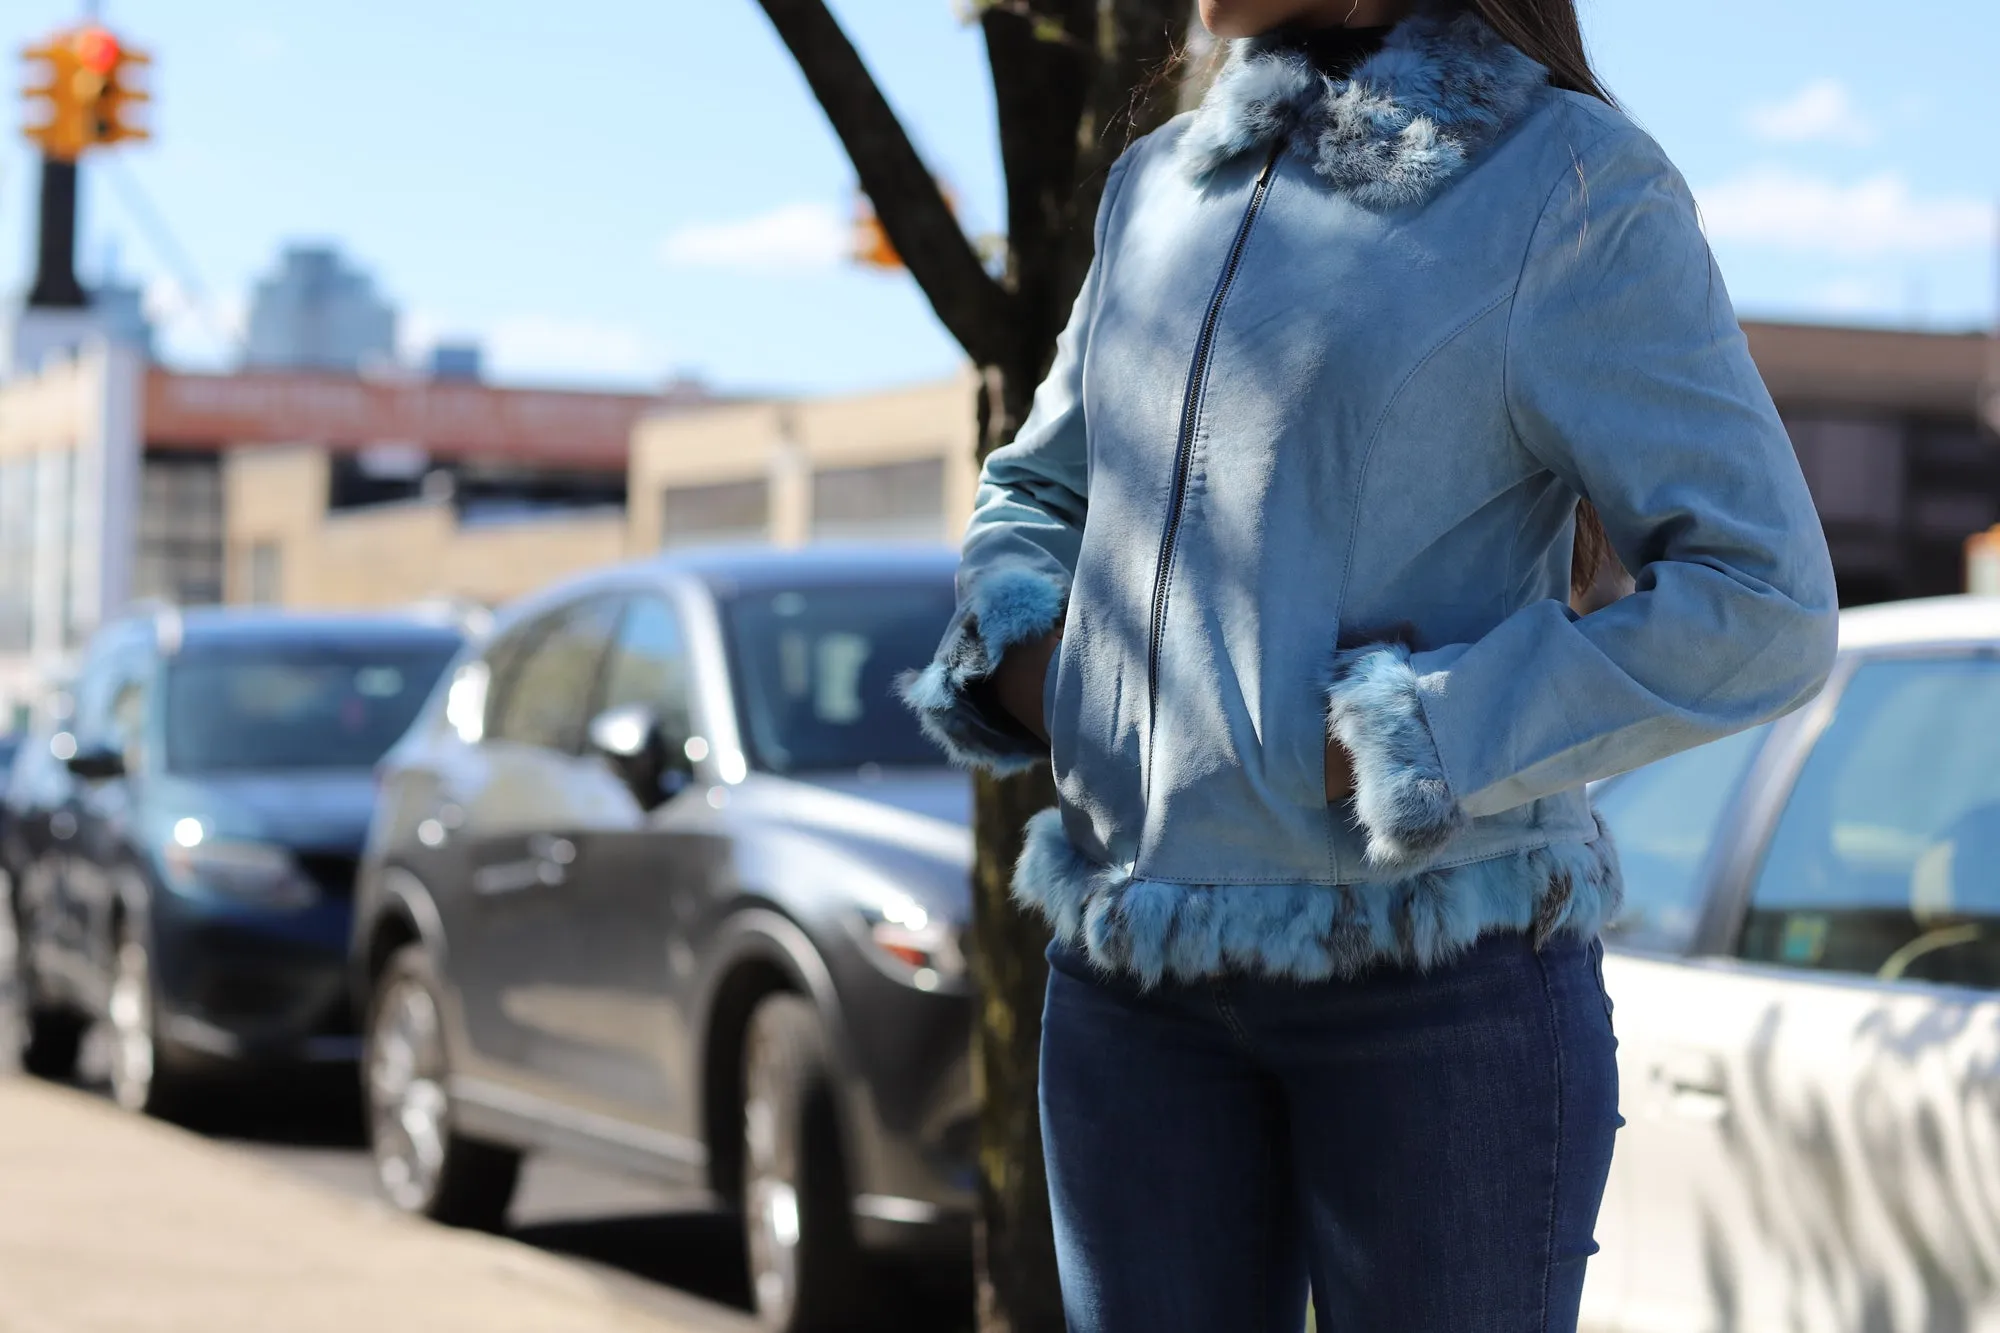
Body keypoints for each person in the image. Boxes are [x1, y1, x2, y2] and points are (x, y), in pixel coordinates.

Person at [901, 0, 1838, 1327]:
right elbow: (1041, 494)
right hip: (1134, 985)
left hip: (1435, 995)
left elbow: (1767, 602)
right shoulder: (1159, 187)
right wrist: (1047, 676)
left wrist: (1416, 740)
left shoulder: (1565, 181)